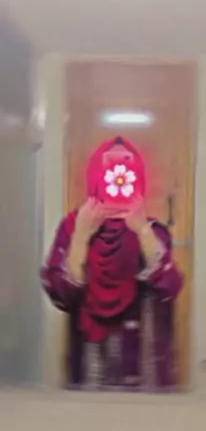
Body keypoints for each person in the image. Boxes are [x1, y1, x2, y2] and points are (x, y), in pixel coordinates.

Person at [41, 136, 184, 391]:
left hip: (143, 371)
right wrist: (81, 236)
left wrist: (142, 231)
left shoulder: (152, 231)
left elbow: (169, 289)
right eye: (110, 167)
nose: (118, 178)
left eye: (127, 168)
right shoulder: (73, 227)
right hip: (87, 367)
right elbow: (61, 296)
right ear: (97, 174)